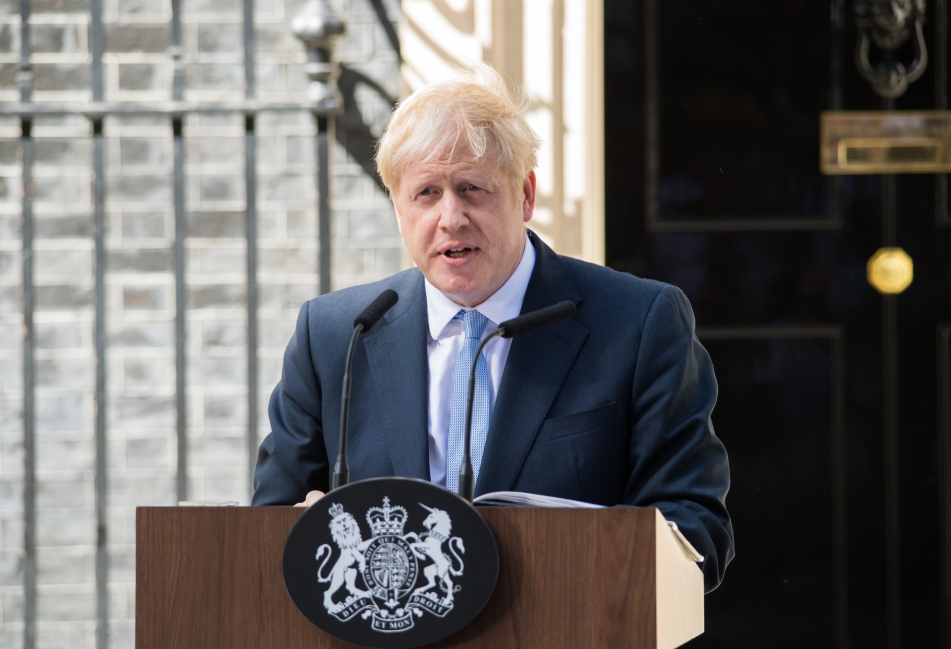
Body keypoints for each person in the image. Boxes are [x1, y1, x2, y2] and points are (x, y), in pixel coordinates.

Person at [252, 64, 733, 591]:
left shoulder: (639, 322)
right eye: (426, 194)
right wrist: (306, 529)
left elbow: (696, 530)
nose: (450, 217)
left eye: (471, 188)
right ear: (398, 210)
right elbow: (269, 526)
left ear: (525, 195)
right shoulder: (335, 336)